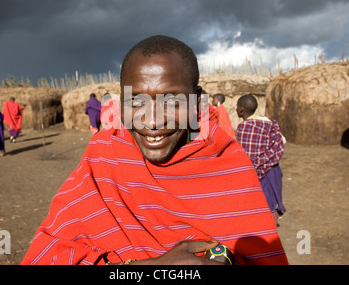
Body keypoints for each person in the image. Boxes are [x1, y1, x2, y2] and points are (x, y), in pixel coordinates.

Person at [22, 35, 288, 265]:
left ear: (196, 100)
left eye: (171, 101)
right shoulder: (104, 155)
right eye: (135, 101)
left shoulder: (226, 164)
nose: (151, 121)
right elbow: (47, 253)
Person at [235, 94, 286, 225]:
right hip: (272, 171)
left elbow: (248, 158)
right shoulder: (267, 124)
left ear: (241, 110)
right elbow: (279, 142)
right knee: (270, 204)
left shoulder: (245, 128)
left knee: (258, 205)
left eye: (237, 107)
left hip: (258, 175)